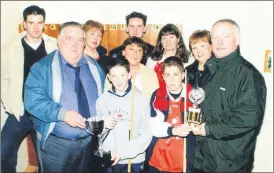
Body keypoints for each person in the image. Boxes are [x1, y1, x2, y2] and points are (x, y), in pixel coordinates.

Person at [24, 21, 105, 173]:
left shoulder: (94, 67)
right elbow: (33, 101)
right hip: (57, 145)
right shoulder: (42, 68)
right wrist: (64, 114)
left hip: (88, 143)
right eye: (69, 39)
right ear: (59, 42)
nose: (75, 44)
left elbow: (104, 97)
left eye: (80, 40)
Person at [192, 19, 267, 173]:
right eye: (215, 37)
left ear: (237, 40)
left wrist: (208, 130)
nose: (219, 42)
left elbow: (247, 120)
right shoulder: (208, 70)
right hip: (201, 160)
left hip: (229, 164)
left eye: (226, 36)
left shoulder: (249, 76)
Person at [1, 5, 57, 173]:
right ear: (24, 24)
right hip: (20, 112)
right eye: (31, 23)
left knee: (45, 158)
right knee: (3, 153)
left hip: (44, 112)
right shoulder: (9, 49)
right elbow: (4, 80)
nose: (36, 27)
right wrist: (11, 104)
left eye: (39, 23)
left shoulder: (54, 46)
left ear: (44, 24)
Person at [96, 57, 152, 173]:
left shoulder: (141, 99)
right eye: (114, 76)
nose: (118, 80)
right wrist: (102, 125)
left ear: (129, 75)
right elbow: (98, 134)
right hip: (111, 158)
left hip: (134, 159)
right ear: (109, 78)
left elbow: (147, 132)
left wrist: (126, 152)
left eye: (122, 75)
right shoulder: (102, 100)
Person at [146, 56, 195, 173]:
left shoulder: (193, 95)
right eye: (167, 75)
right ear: (163, 76)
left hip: (183, 158)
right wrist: (174, 131)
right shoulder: (157, 95)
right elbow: (153, 126)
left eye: (176, 74)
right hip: (159, 158)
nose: (171, 79)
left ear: (183, 76)